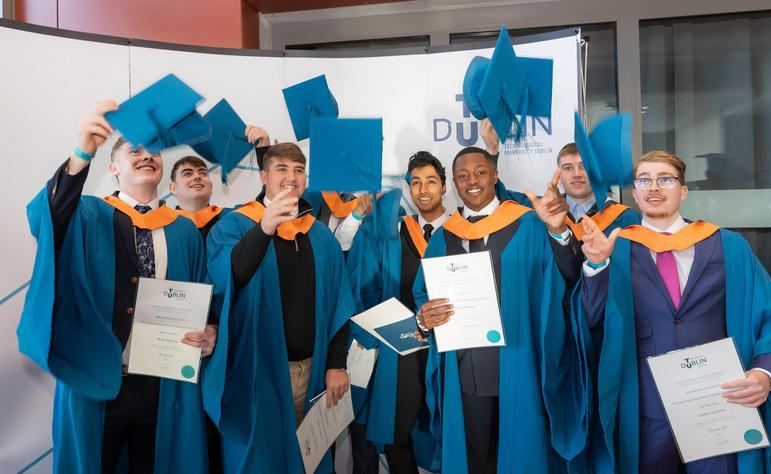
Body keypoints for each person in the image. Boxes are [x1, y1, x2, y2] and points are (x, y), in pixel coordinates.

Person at [17, 100, 217, 473]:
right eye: (134, 150)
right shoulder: (88, 215)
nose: (147, 156)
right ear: (112, 168)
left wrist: (210, 329)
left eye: (154, 152)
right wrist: (82, 152)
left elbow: (203, 292)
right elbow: (47, 215)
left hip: (161, 382)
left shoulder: (183, 230)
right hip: (96, 379)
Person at [578, 150, 771, 473]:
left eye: (665, 179)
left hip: (719, 403)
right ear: (635, 194)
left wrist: (764, 374)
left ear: (682, 191)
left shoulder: (727, 245)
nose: (654, 187)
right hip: (644, 407)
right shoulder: (617, 249)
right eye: (644, 180)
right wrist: (597, 265)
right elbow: (593, 319)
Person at [412, 147, 588, 474]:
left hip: (520, 363)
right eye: (462, 176)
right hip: (464, 368)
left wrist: (559, 233)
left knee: (521, 453)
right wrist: (424, 318)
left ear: (495, 175)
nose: (472, 181)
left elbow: (567, 276)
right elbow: (423, 295)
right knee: (475, 458)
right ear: (454, 183)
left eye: (480, 172)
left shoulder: (530, 225)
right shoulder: (443, 238)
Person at [203, 142, 355, 474]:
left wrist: (336, 365)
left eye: (298, 170)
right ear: (263, 176)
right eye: (281, 169)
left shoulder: (319, 235)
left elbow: (339, 305)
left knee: (305, 461)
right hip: (256, 372)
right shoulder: (236, 226)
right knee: (258, 461)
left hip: (310, 371)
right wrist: (264, 228)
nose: (291, 177)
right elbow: (228, 279)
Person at [346, 151, 450, 473]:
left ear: (444, 187)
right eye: (415, 182)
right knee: (398, 431)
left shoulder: (463, 231)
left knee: (449, 426)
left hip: (449, 349)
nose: (423, 190)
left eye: (431, 181)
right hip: (403, 348)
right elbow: (363, 281)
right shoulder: (393, 232)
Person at [554, 142, 640, 239]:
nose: (576, 174)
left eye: (584, 166)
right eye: (568, 168)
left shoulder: (627, 218)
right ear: (559, 176)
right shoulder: (546, 218)